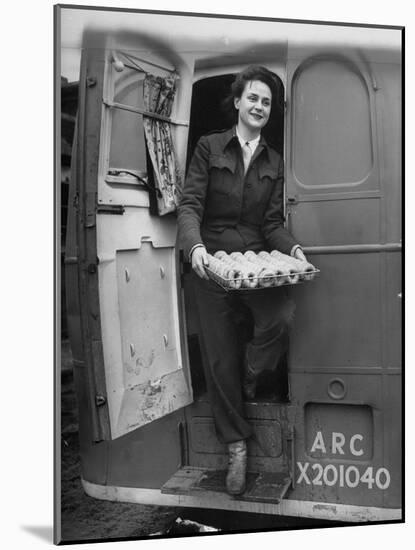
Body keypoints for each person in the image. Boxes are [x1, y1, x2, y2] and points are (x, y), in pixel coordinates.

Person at [177, 65, 307, 496]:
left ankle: (251, 380)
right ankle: (236, 445)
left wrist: (291, 249)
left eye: (267, 102)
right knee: (218, 354)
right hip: (210, 261)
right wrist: (194, 247)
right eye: (253, 98)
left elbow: (272, 223)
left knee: (281, 317)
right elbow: (190, 203)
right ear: (237, 102)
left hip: (255, 258)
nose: (259, 106)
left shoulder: (275, 161)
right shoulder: (209, 146)